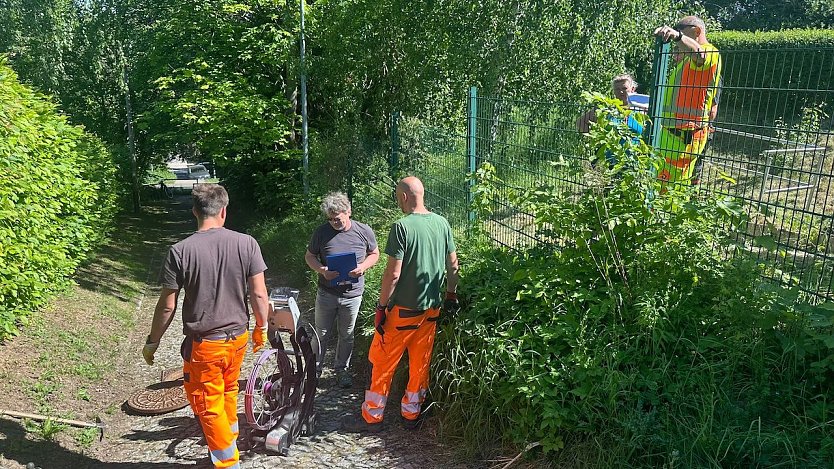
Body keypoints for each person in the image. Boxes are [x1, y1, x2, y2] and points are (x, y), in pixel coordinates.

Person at [142, 183, 269, 469]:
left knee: (208, 404)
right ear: (223, 211)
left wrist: (153, 341)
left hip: (206, 345)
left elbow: (167, 306)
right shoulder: (247, 243)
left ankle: (227, 462)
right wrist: (261, 328)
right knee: (228, 391)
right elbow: (260, 294)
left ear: (194, 212)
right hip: (238, 338)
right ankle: (230, 438)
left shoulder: (180, 251)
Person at [342, 176, 459, 432]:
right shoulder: (442, 223)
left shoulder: (401, 227)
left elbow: (393, 274)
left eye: (398, 197)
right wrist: (451, 295)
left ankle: (372, 417)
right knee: (420, 362)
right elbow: (453, 265)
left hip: (402, 312)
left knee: (382, 361)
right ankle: (411, 414)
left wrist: (381, 307)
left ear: (404, 197)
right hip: (431, 309)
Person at [304, 192, 380, 388]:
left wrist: (363, 267)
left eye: (337, 218)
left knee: (346, 334)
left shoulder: (363, 231)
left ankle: (341, 370)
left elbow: (375, 253)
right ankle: (313, 371)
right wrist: (322, 270)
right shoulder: (321, 232)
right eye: (330, 219)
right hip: (327, 293)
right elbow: (309, 256)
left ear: (348, 212)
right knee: (321, 333)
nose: (334, 223)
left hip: (352, 294)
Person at [653, 15, 722, 188]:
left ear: (697, 31)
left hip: (685, 137)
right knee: (663, 186)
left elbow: (701, 55)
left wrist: (678, 37)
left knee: (670, 189)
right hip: (674, 134)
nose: (679, 41)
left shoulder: (710, 53)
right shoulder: (686, 61)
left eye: (683, 34)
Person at [576, 74, 646, 168]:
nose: (621, 92)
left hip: (634, 162)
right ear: (613, 91)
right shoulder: (606, 109)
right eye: (617, 89)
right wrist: (595, 138)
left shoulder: (641, 110)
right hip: (609, 162)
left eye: (624, 88)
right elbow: (581, 122)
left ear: (632, 89)